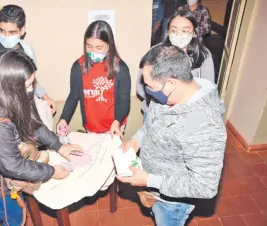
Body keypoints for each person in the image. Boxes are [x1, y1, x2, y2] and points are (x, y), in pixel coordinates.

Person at [0, 50, 83, 226]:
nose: (31, 90)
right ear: (11, 86)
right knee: (16, 216)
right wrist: (52, 171)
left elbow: (31, 123)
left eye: (32, 83)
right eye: (27, 86)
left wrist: (59, 146)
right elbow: (13, 166)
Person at [117, 44, 227, 226]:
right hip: (154, 188)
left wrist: (149, 180)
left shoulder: (202, 124)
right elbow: (152, 124)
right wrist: (137, 140)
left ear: (170, 84)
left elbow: (205, 186)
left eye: (149, 85)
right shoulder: (166, 95)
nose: (146, 90)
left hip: (172, 203)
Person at [0, 4, 57, 114]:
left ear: (22, 30)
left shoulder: (28, 51)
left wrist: (46, 98)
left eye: (12, 32)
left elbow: (31, 80)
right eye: (2, 31)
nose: (6, 36)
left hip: (25, 110)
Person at [57, 20, 131, 137]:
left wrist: (117, 122)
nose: (93, 52)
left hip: (114, 126)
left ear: (109, 45)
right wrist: (64, 118)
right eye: (89, 46)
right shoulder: (78, 66)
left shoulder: (120, 68)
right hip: (91, 127)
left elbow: (124, 101)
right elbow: (73, 96)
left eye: (99, 47)